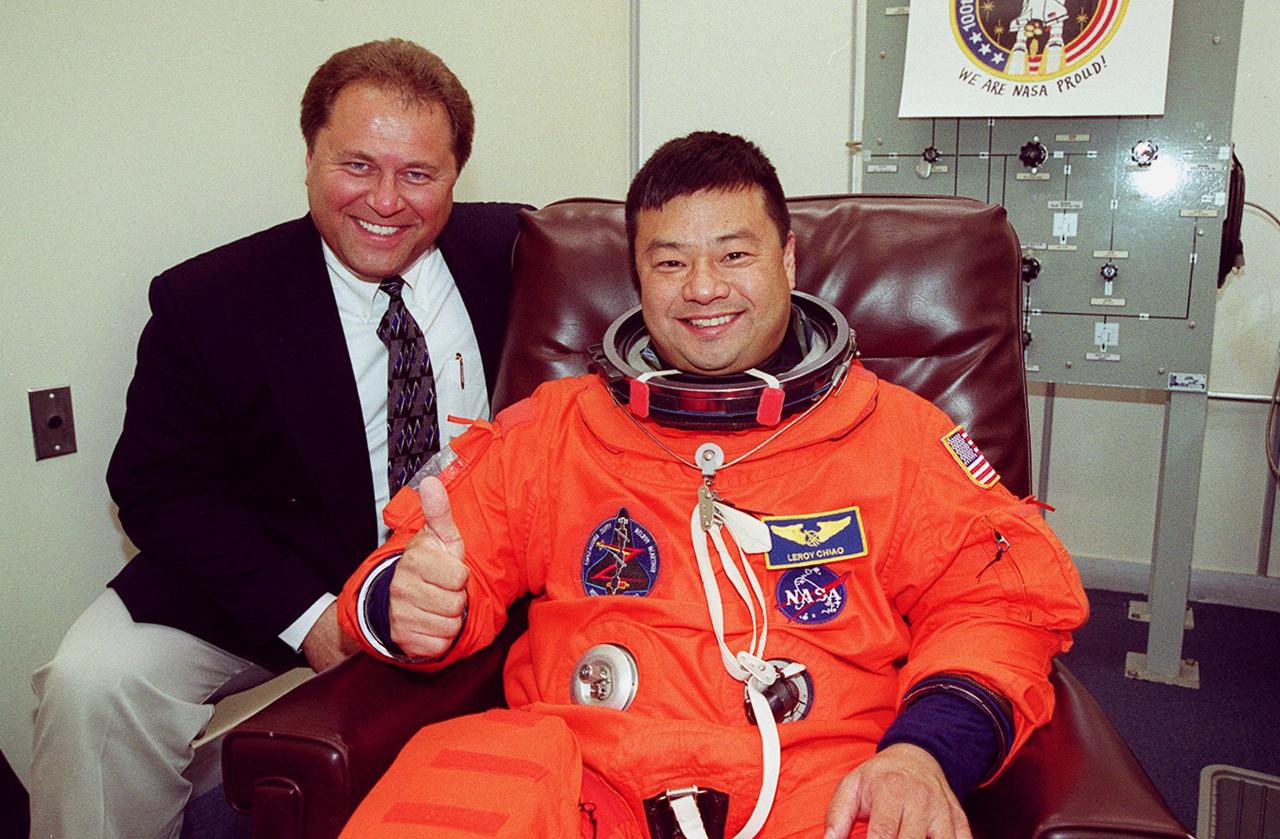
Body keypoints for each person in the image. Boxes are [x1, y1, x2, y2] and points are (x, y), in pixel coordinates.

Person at [338, 131, 1088, 838]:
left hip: (818, 783)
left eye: (734, 254)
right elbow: (427, 553)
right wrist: (410, 598)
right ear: (637, 277)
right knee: (456, 786)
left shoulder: (900, 439)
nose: (702, 288)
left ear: (788, 259)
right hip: (584, 775)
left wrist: (924, 750)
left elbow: (1001, 607)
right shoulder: (557, 429)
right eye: (669, 263)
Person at [29, 38, 527, 839]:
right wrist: (310, 617)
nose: (386, 200)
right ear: (308, 157)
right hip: (278, 572)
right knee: (93, 685)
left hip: (452, 582)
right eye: (357, 165)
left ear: (457, 177)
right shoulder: (209, 300)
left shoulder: (519, 252)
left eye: (418, 174)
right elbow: (157, 486)